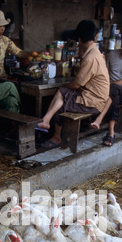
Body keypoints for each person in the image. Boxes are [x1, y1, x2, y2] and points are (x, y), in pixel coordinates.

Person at [37, 20, 110, 149]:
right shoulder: (95, 53)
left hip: (93, 102)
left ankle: (57, 137)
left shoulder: (90, 58)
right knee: (62, 93)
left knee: (61, 98)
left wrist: (65, 86)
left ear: (79, 39)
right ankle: (46, 121)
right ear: (94, 37)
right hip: (95, 97)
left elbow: (76, 84)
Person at [0, 10, 30, 80]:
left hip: (2, 77)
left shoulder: (5, 40)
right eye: (0, 26)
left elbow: (18, 52)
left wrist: (32, 55)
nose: (2, 28)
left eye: (4, 26)